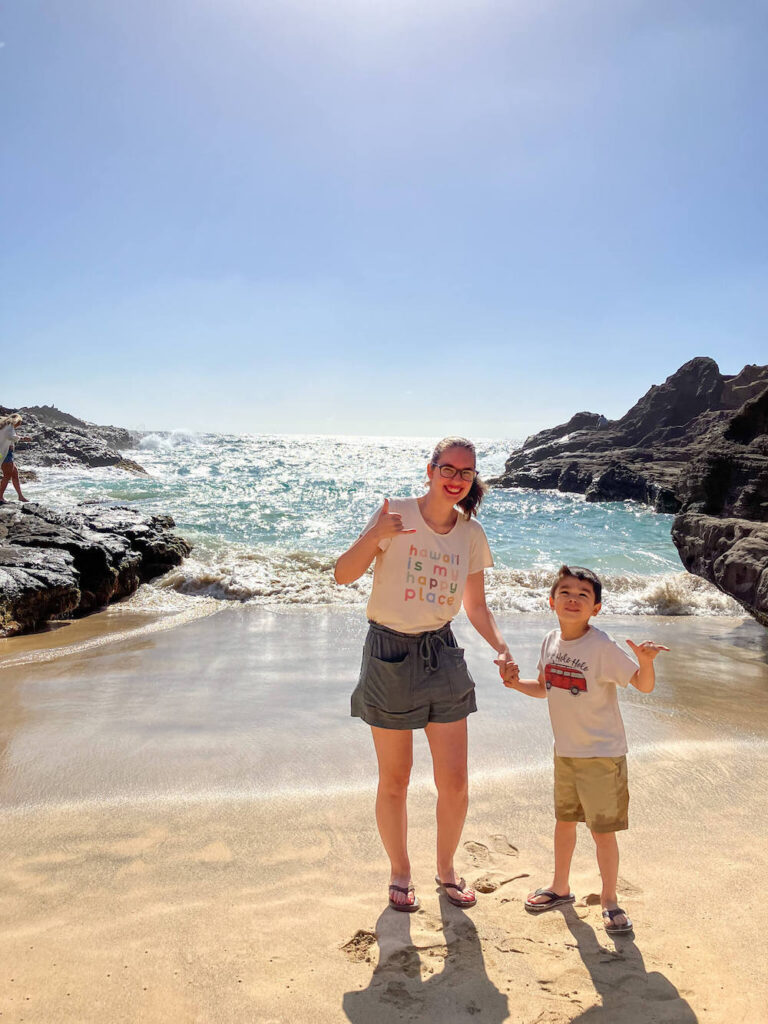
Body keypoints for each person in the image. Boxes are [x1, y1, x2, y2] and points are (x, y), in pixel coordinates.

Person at [335, 437, 518, 912]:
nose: (456, 479)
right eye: (448, 468)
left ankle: (446, 869)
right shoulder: (395, 512)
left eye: (466, 472)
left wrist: (501, 647)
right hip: (389, 652)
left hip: (443, 651)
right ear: (431, 469)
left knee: (455, 782)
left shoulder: (470, 534)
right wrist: (375, 533)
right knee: (395, 779)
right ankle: (400, 871)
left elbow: (475, 606)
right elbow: (343, 574)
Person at [497, 564, 668, 935]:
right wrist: (514, 684)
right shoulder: (549, 641)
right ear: (551, 600)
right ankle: (560, 887)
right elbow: (544, 686)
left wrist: (646, 662)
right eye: (566, 593)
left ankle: (610, 900)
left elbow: (642, 685)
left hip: (602, 755)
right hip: (565, 752)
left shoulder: (601, 646)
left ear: (596, 608)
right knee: (564, 822)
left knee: (602, 832)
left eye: (583, 595)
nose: (573, 600)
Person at [0, 413, 32, 504]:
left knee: (14, 473)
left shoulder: (5, 426)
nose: (19, 425)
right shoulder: (9, 426)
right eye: (19, 423)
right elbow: (9, 437)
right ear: (16, 420)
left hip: (5, 453)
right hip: (5, 453)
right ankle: (0, 496)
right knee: (7, 475)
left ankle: (20, 496)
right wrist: (22, 438)